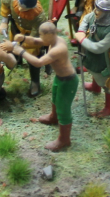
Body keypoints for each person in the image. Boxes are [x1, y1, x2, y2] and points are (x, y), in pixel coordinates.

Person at [12, 21, 77, 151]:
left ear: (50, 35)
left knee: (63, 109)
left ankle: (64, 139)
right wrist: (23, 38)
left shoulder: (59, 48)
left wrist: (21, 51)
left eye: (42, 35)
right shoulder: (52, 40)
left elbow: (39, 62)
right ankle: (54, 117)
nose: (40, 37)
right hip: (60, 78)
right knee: (55, 98)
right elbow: (36, 41)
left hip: (68, 81)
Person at [75, 0, 110, 118]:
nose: (96, 11)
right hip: (91, 55)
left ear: (106, 13)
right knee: (92, 69)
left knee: (106, 83)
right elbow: (86, 18)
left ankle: (109, 108)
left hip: (103, 59)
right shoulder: (95, 16)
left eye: (99, 10)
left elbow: (98, 48)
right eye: (96, 8)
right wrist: (81, 30)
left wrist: (82, 40)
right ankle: (95, 87)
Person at [0, 0, 47, 97]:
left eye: (25, 8)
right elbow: (5, 4)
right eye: (20, 5)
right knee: (13, 46)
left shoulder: (39, 17)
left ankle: (35, 81)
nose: (20, 9)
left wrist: (14, 46)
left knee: (32, 54)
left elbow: (34, 39)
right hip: (16, 28)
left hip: (30, 35)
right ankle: (16, 61)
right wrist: (4, 22)